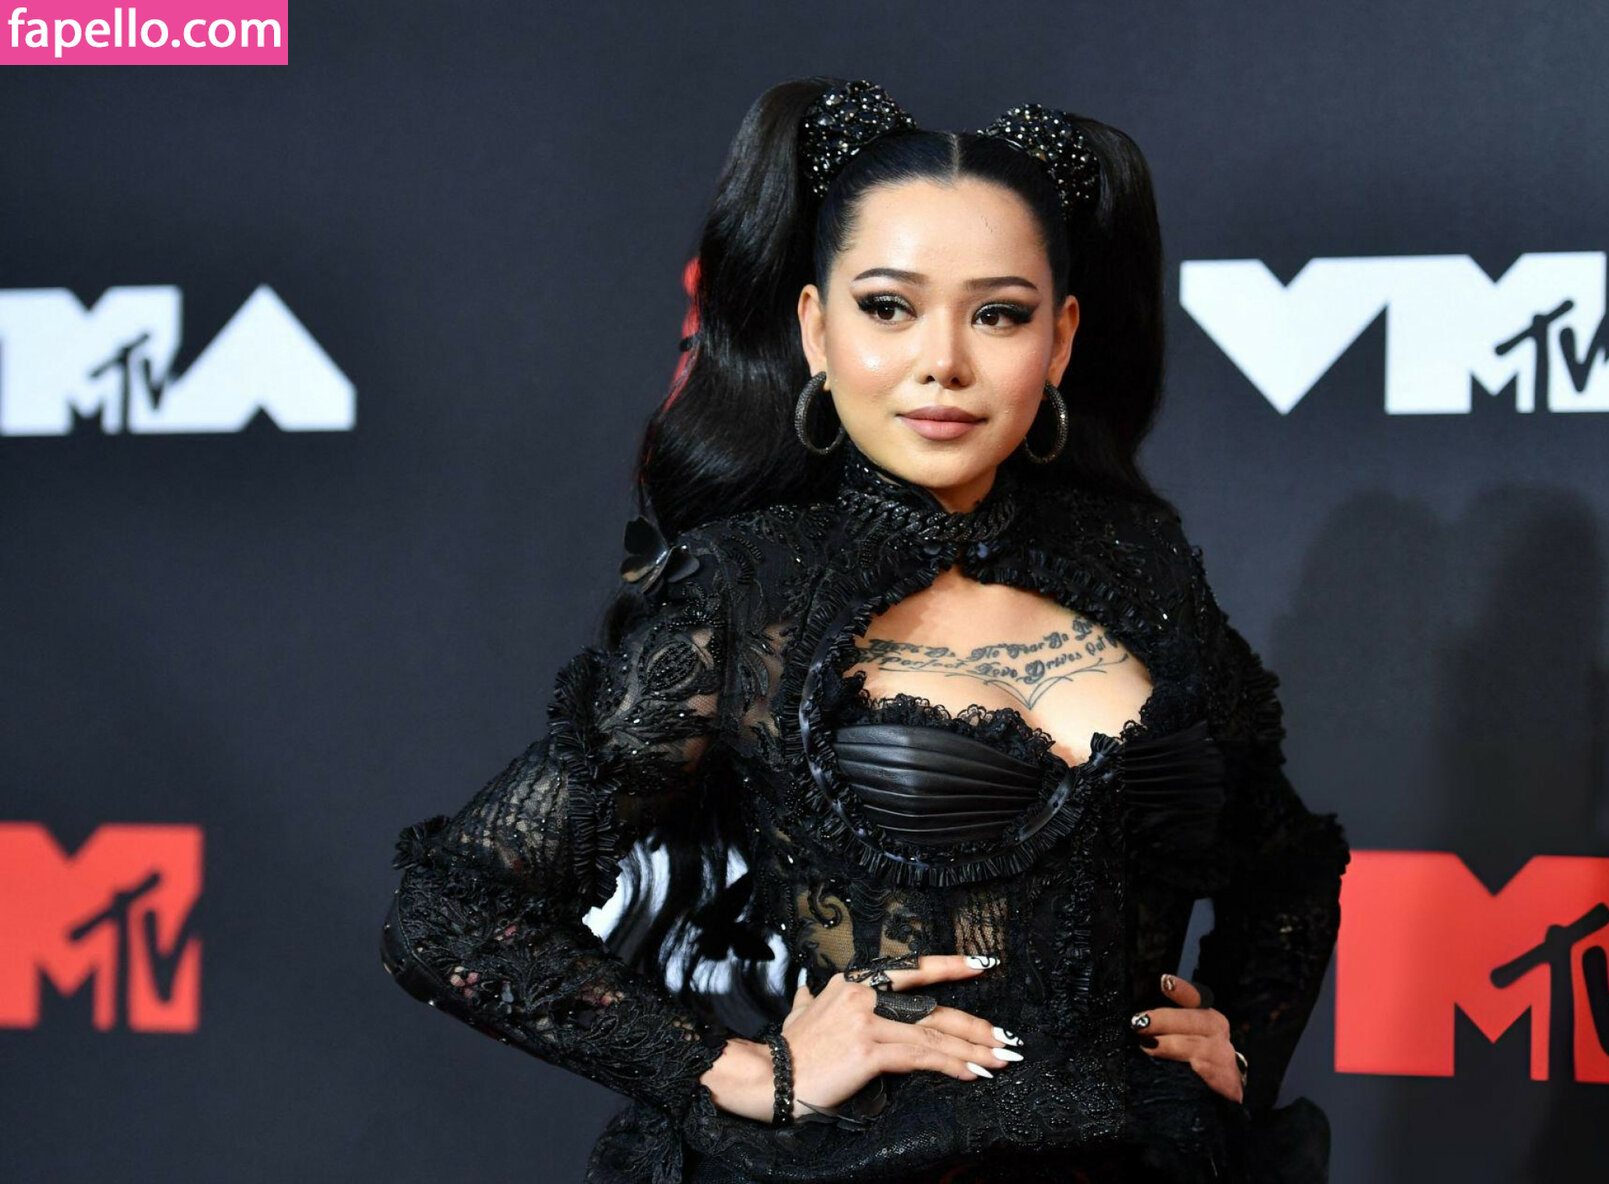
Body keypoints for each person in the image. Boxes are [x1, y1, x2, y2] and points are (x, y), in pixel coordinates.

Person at [379, 76, 1349, 1184]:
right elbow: (449, 910)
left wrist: (1237, 1043)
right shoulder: (747, 591)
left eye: (999, 313)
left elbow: (1288, 867)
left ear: (1062, 339)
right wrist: (726, 1066)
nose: (944, 361)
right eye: (889, 307)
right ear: (816, 329)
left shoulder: (1145, 567)